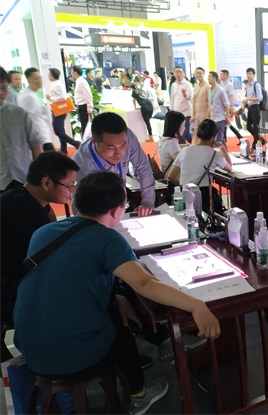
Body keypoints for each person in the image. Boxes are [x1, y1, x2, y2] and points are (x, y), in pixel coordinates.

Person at [13, 170, 221, 415]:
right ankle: (139, 395)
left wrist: (115, 297)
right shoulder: (107, 239)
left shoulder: (44, 231)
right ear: (115, 211)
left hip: (28, 347)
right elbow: (144, 284)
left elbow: (67, 279)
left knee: (118, 303)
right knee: (119, 328)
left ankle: (154, 348)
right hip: (71, 357)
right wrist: (196, 305)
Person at [1, 152, 79, 362]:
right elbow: (54, 256)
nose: (72, 191)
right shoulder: (24, 208)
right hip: (10, 290)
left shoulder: (17, 192)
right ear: (46, 182)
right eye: (69, 185)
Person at [72, 112, 155, 216]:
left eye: (123, 146)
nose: (118, 153)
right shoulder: (82, 165)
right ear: (94, 141)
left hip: (120, 201)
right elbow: (79, 208)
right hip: (97, 209)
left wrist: (147, 202)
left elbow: (144, 168)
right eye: (111, 148)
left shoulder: (127, 137)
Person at [168, 119, 232, 215]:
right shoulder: (214, 154)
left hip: (184, 195)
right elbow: (229, 167)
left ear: (198, 134)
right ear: (214, 137)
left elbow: (171, 176)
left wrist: (186, 187)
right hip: (205, 198)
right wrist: (222, 148)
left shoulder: (185, 150)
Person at [0, 66, 44, 192]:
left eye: (4, 88)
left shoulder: (20, 114)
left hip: (23, 179)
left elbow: (35, 145)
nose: (1, 92)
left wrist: (38, 174)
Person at [17, 67, 55, 152]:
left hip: (42, 137)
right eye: (36, 79)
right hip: (41, 139)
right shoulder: (28, 96)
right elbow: (31, 120)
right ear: (29, 80)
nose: (39, 81)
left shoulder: (28, 94)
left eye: (40, 78)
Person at [46, 68, 81, 154]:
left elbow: (63, 97)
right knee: (60, 130)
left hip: (59, 110)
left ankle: (75, 143)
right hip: (56, 110)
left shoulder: (58, 85)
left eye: (49, 74)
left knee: (58, 130)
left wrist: (51, 98)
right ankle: (63, 149)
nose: (48, 76)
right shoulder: (55, 84)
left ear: (52, 76)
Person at [158, 110, 185, 179]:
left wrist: (188, 146)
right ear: (177, 125)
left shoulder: (164, 139)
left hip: (166, 176)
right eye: (183, 124)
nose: (184, 128)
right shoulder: (171, 143)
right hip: (173, 180)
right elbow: (182, 162)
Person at [170, 66, 193, 144]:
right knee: (179, 134)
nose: (178, 74)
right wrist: (171, 110)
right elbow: (172, 98)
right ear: (174, 74)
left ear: (184, 74)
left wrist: (185, 94)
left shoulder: (188, 84)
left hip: (186, 113)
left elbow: (190, 98)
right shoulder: (173, 84)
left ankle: (196, 144)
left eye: (180, 72)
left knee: (186, 133)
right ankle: (182, 150)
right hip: (177, 113)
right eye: (177, 72)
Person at [207, 71, 230, 145]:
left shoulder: (221, 90)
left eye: (209, 77)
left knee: (219, 140)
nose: (208, 78)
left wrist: (227, 117)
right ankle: (223, 152)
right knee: (215, 140)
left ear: (214, 78)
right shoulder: (209, 90)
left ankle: (224, 152)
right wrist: (207, 117)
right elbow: (209, 105)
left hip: (220, 119)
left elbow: (226, 105)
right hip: (212, 119)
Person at [71, 65, 93, 136]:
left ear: (75, 72)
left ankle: (86, 140)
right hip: (81, 106)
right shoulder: (78, 81)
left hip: (84, 106)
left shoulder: (81, 82)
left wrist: (90, 107)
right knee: (84, 125)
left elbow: (88, 94)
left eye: (72, 71)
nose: (71, 73)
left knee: (85, 126)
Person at [131, 76, 155, 142]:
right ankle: (149, 135)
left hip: (144, 107)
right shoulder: (141, 90)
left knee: (147, 123)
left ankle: (150, 136)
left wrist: (135, 107)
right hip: (150, 106)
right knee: (148, 122)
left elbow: (134, 100)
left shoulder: (134, 91)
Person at [242, 67, 262, 143]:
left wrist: (249, 99)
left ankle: (255, 144)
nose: (248, 75)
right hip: (250, 107)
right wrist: (243, 106)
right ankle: (259, 139)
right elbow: (246, 98)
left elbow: (260, 98)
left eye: (250, 73)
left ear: (253, 75)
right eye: (247, 74)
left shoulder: (256, 85)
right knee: (248, 126)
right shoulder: (248, 85)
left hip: (255, 107)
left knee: (255, 127)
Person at [192, 67, 210, 135]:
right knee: (196, 134)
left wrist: (207, 117)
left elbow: (210, 103)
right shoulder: (196, 86)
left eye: (200, 73)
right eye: (197, 73)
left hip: (204, 114)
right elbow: (194, 102)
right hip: (196, 114)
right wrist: (193, 115)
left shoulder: (208, 87)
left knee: (204, 134)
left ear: (204, 74)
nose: (198, 75)